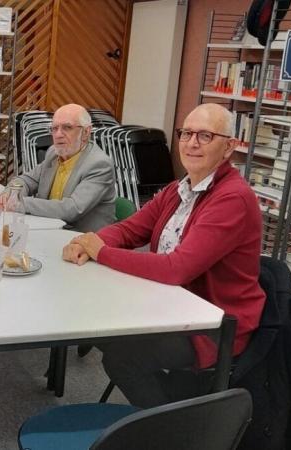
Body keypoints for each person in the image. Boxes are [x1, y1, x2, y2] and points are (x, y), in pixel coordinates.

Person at [62, 103, 266, 408]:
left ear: (229, 148)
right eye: (186, 134)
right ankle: (174, 402)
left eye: (205, 136)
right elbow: (131, 230)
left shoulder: (232, 198)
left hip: (211, 325)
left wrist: (101, 252)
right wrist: (89, 242)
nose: (192, 143)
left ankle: (171, 429)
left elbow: (177, 268)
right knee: (92, 319)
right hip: (167, 305)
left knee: (122, 359)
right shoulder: (178, 189)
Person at [0, 104, 116, 232]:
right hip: (50, 229)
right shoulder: (53, 153)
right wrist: (10, 193)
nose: (58, 134)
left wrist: (18, 203)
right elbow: (25, 180)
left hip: (83, 239)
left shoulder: (99, 165)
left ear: (86, 132)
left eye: (67, 127)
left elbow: (72, 209)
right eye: (54, 128)